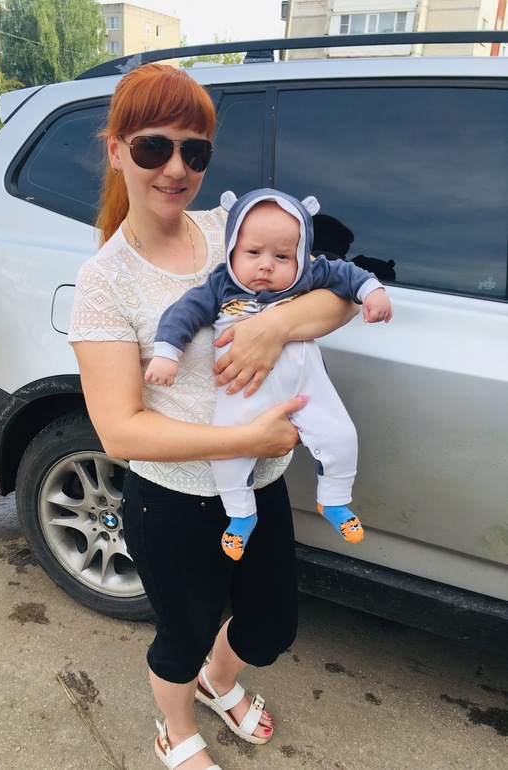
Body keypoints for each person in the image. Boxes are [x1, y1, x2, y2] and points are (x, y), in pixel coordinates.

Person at [69, 63, 358, 770]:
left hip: (260, 483)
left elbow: (340, 295)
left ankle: (217, 681)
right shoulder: (104, 281)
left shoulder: (232, 228)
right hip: (171, 501)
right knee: (183, 632)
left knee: (271, 627)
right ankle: (175, 729)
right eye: (153, 147)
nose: (176, 168)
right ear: (117, 151)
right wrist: (245, 437)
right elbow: (120, 430)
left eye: (194, 151)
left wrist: (271, 327)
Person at [145, 188, 392, 561]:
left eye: (281, 256)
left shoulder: (309, 275)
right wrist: (167, 353)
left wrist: (373, 291)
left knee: (341, 435)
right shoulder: (221, 283)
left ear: (300, 256)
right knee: (228, 453)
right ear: (232, 250)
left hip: (306, 386)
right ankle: (241, 515)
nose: (266, 266)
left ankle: (334, 500)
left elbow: (347, 274)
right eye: (253, 252)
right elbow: (184, 312)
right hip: (242, 389)